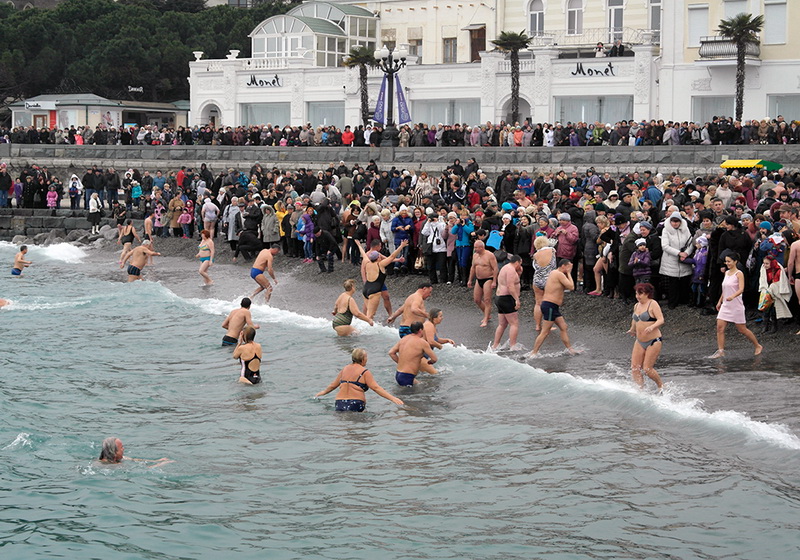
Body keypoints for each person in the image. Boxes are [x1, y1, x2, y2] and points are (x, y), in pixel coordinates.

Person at [314, 348, 404, 411]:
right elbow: (376, 388)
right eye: (366, 357)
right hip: (355, 403)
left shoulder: (345, 369)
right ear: (362, 359)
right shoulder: (364, 372)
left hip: (340, 403)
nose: (367, 359)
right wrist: (393, 398)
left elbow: (333, 385)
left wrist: (322, 393)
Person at [712, 253, 763, 358]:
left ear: (735, 261)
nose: (727, 263)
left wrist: (732, 296)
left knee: (742, 329)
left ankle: (757, 345)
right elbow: (725, 289)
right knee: (720, 328)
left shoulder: (739, 273)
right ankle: (721, 351)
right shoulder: (726, 273)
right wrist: (719, 301)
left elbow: (741, 289)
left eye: (729, 261)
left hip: (736, 305)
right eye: (726, 261)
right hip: (726, 304)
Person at [530, 259, 578, 357]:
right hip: (549, 305)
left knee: (563, 327)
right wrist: (569, 273)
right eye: (568, 266)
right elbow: (571, 287)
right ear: (563, 266)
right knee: (545, 331)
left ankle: (570, 349)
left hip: (552, 306)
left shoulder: (554, 273)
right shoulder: (558, 274)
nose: (570, 268)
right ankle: (534, 353)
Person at [626, 282, 664, 391]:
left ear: (647, 294)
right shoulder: (636, 305)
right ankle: (640, 390)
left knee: (647, 369)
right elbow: (635, 319)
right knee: (635, 368)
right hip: (639, 341)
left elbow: (661, 319)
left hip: (653, 340)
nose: (637, 296)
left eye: (640, 294)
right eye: (636, 293)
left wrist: (652, 327)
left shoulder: (653, 304)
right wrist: (632, 329)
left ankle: (661, 386)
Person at [357, 239, 407, 321]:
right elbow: (391, 257)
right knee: (370, 313)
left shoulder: (370, 259)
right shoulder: (377, 261)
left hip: (372, 285)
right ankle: (364, 323)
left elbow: (388, 259)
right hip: (373, 286)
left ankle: (390, 315)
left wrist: (359, 245)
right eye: (380, 246)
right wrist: (401, 246)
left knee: (385, 297)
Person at [388, 321, 438, 386]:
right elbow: (434, 359)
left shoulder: (404, 339)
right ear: (420, 330)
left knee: (421, 385)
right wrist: (430, 362)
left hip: (399, 374)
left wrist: (400, 362)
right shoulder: (422, 342)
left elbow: (391, 353)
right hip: (407, 376)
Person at [490, 255, 523, 351]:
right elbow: (510, 286)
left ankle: (495, 345)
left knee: (502, 324)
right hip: (507, 298)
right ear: (517, 262)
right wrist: (517, 299)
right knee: (514, 323)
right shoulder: (511, 270)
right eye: (520, 264)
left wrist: (519, 273)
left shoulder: (505, 267)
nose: (520, 266)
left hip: (499, 297)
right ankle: (513, 345)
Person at [468, 240, 498, 327]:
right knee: (477, 299)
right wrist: (470, 280)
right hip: (479, 279)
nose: (475, 249)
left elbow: (495, 268)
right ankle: (487, 314)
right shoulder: (475, 255)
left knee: (487, 300)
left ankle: (486, 318)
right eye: (474, 247)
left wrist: (494, 281)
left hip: (488, 278)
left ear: (481, 247)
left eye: (476, 247)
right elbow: (473, 268)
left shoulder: (489, 255)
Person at [532, 235, 557, 331]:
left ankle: (538, 325)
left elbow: (535, 267)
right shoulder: (551, 251)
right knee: (550, 302)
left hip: (537, 279)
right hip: (549, 280)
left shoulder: (535, 255)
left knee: (538, 303)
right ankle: (547, 325)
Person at [97, 437, 172, 468]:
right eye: (121, 447)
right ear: (114, 452)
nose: (124, 449)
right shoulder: (113, 466)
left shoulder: (117, 458)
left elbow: (134, 459)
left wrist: (156, 461)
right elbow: (143, 470)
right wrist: (160, 464)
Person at [420, 308, 455, 374]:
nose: (442, 318)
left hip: (423, 356)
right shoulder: (429, 325)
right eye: (440, 316)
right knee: (436, 375)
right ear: (434, 318)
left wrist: (447, 340)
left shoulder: (432, 325)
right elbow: (431, 341)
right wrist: (439, 346)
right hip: (420, 357)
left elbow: (437, 339)